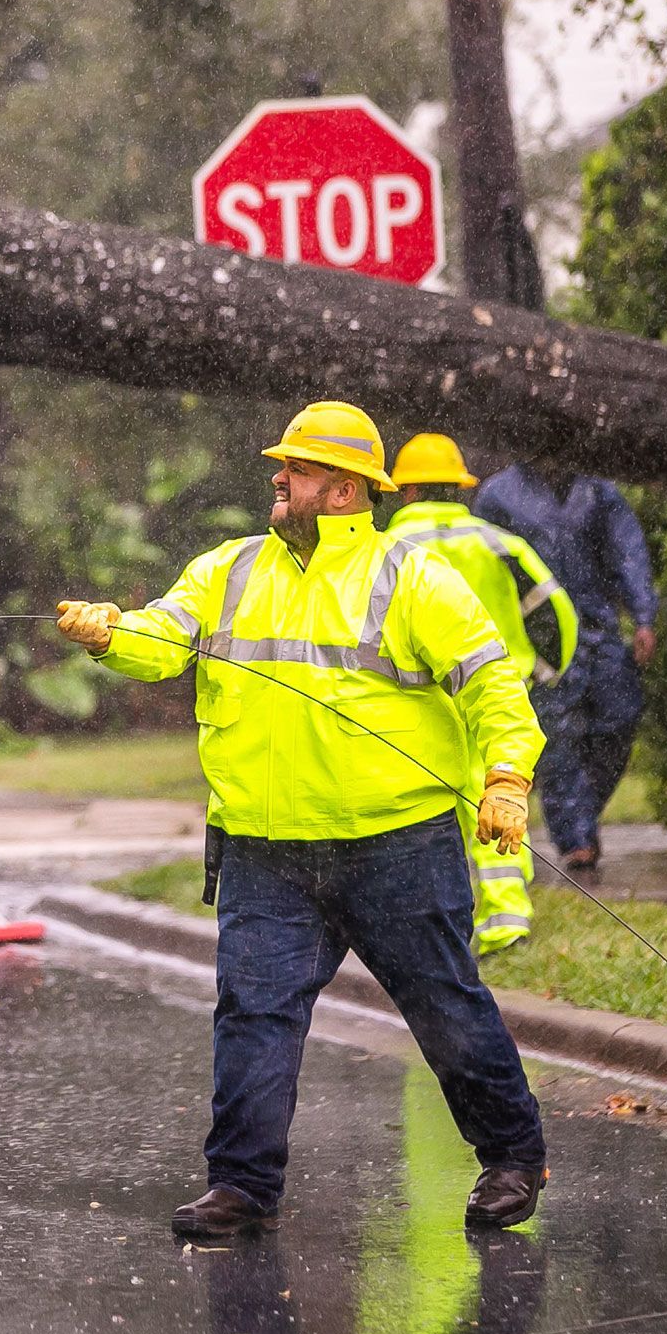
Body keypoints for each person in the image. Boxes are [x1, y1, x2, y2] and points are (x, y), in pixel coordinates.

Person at [56, 401, 547, 1240]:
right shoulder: (229, 568)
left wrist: (506, 776)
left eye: (300, 470)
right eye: (282, 468)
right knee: (253, 1011)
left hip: (395, 846)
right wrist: (112, 635)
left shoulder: (412, 579)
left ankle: (513, 1157)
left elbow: (495, 685)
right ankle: (242, 1185)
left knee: (446, 1008)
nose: (279, 480)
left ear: (346, 489)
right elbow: (165, 641)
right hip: (266, 850)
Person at [385, 433, 579, 953]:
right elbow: (556, 611)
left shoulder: (384, 553)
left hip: (416, 698)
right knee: (497, 796)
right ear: (460, 487)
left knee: (417, 808)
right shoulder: (499, 544)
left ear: (404, 492)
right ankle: (506, 918)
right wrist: (543, 669)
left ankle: (423, 925)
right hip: (498, 691)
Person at [472, 460, 657, 871]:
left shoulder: (598, 492)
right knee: (556, 740)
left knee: (619, 719)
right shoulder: (499, 496)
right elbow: (483, 567)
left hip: (598, 628)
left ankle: (582, 813)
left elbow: (629, 554)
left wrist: (643, 615)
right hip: (540, 638)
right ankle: (576, 838)